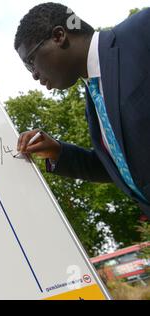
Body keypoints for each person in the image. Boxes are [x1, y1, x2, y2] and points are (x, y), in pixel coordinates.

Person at [14, 3, 150, 218]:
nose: (33, 74)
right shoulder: (95, 100)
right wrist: (58, 152)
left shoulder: (141, 30)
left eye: (30, 62)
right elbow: (120, 168)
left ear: (59, 36)